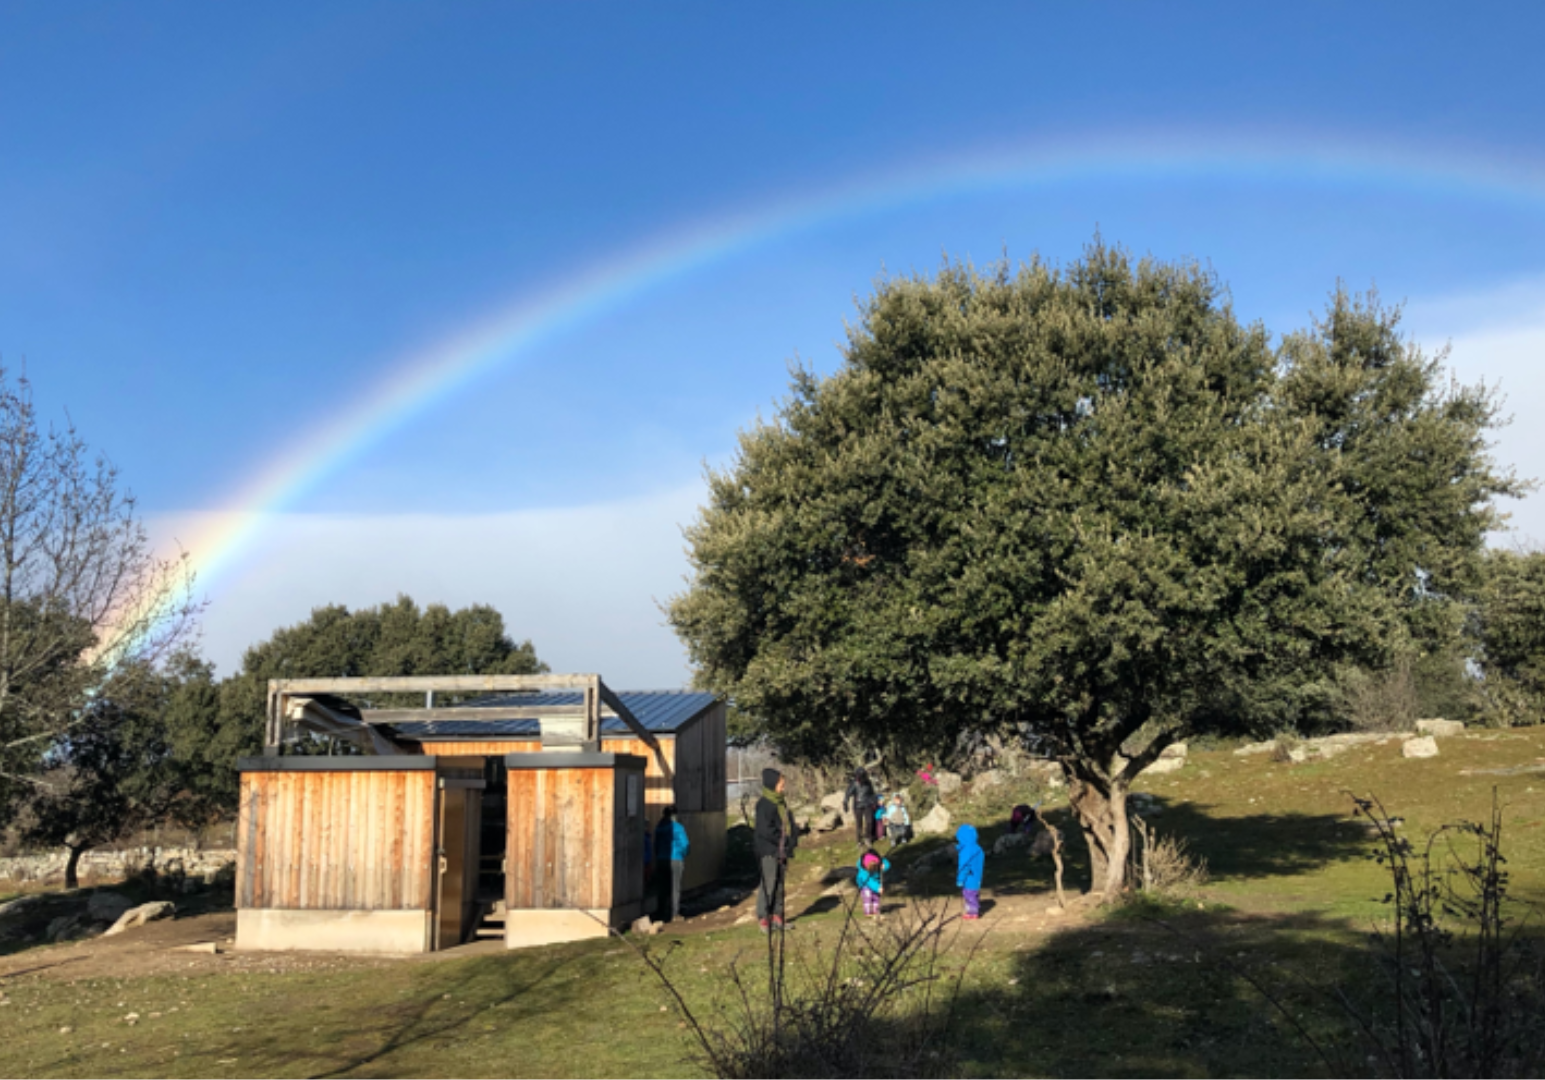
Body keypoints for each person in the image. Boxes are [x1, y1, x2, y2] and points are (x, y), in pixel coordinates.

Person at [754, 767, 798, 932]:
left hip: (781, 849)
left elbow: (788, 822)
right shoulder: (764, 805)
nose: (783, 787)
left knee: (779, 884)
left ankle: (777, 916)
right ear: (772, 784)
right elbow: (765, 830)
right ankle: (764, 917)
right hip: (769, 850)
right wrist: (782, 839)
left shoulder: (782, 804)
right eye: (781, 783)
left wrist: (793, 837)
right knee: (769, 882)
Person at [654, 805, 690, 923]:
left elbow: (656, 844)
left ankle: (661, 912)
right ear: (674, 814)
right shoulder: (678, 827)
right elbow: (685, 844)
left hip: (661, 859)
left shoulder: (659, 827)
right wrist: (683, 853)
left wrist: (658, 855)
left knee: (662, 887)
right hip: (676, 858)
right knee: (675, 887)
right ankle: (675, 913)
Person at [843, 768, 880, 845]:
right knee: (859, 824)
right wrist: (845, 802)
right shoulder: (854, 784)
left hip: (867, 804)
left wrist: (875, 802)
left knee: (869, 822)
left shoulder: (868, 783)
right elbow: (848, 793)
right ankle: (859, 840)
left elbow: (872, 793)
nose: (860, 780)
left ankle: (867, 837)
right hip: (858, 806)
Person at [956, 823, 984, 919]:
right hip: (977, 876)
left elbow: (964, 866)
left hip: (969, 877)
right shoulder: (978, 848)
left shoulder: (966, 850)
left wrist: (960, 879)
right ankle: (973, 909)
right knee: (973, 893)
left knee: (969, 894)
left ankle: (973, 912)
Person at [854, 848, 890, 918]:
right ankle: (867, 912)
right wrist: (878, 888)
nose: (873, 869)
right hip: (865, 884)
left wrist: (885, 866)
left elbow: (886, 863)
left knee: (876, 897)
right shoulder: (863, 871)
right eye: (871, 868)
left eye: (875, 867)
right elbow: (869, 881)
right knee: (867, 896)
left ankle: (875, 911)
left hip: (876, 881)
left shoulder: (879, 861)